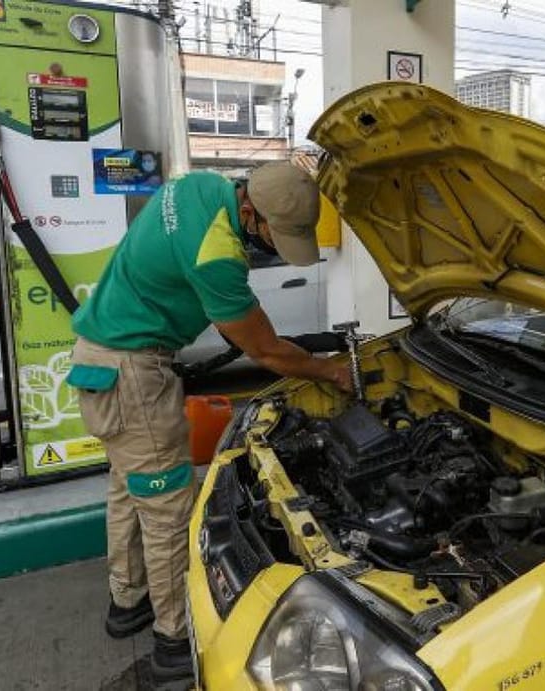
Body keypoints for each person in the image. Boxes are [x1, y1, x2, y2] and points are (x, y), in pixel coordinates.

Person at [66, 162, 351, 682]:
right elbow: (266, 350)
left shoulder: (197, 186)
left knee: (128, 492)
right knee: (168, 508)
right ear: (249, 211)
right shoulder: (217, 252)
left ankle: (127, 602)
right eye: (273, 233)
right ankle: (174, 640)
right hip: (132, 370)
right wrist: (330, 371)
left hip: (103, 359)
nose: (272, 245)